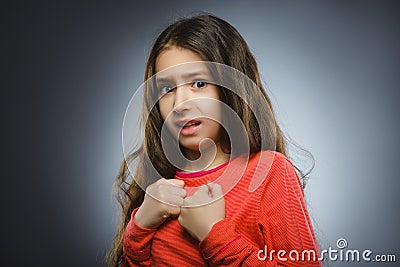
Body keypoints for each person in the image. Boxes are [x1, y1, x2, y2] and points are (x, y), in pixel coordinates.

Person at [107, 14, 321, 266]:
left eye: (199, 83)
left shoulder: (270, 173)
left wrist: (214, 234)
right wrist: (139, 227)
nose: (179, 104)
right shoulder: (159, 187)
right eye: (167, 89)